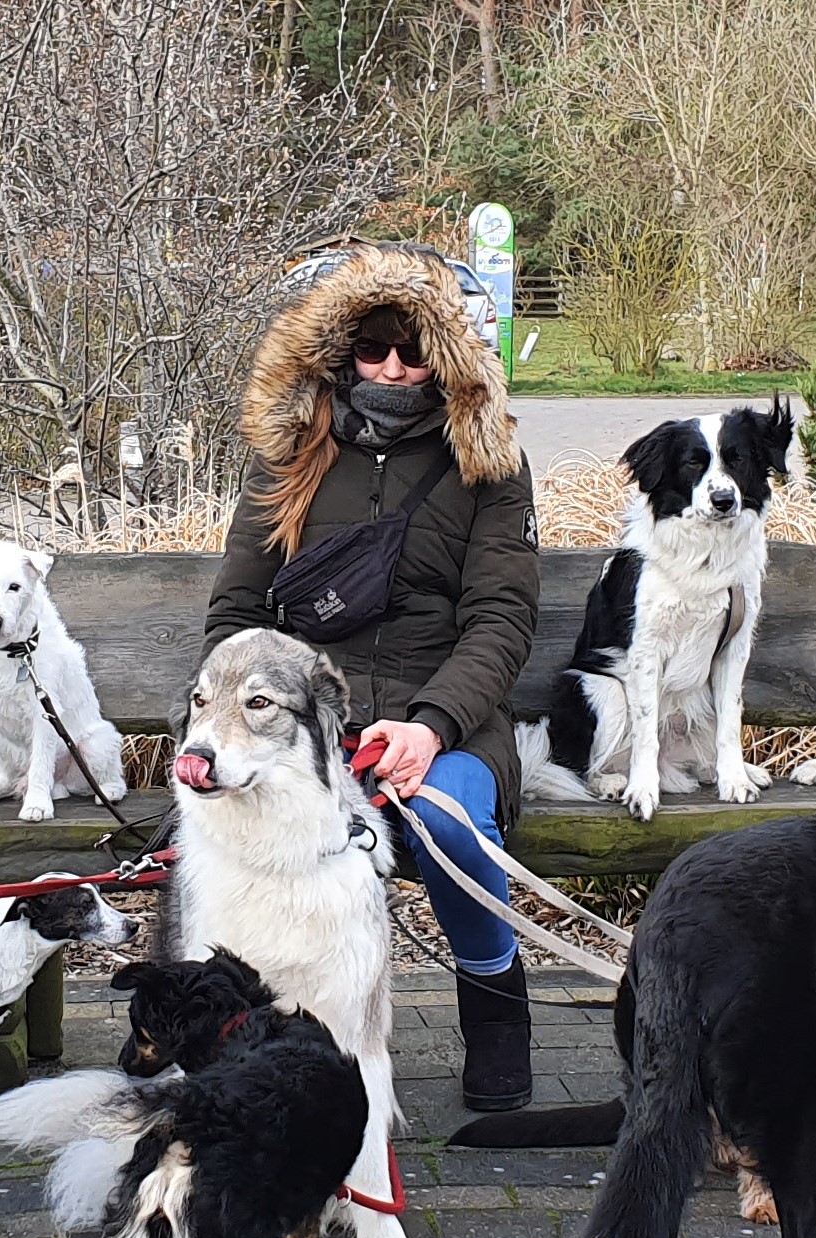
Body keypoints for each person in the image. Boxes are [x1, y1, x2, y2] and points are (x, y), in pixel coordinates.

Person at [202, 244, 541, 1111]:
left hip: (446, 719)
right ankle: (253, 1028)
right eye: (373, 349)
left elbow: (501, 620)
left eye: (413, 350)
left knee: (448, 824)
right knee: (241, 836)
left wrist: (429, 726)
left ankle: (497, 1009)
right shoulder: (290, 455)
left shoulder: (489, 462)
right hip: (309, 727)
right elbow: (237, 614)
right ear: (339, 352)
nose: (393, 368)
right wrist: (270, 726)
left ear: (446, 355)